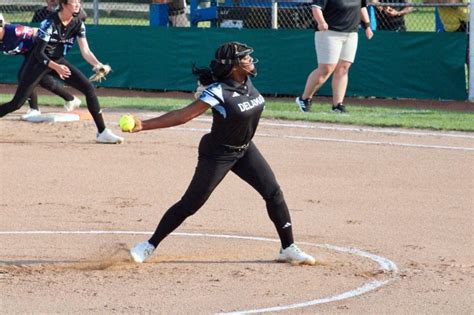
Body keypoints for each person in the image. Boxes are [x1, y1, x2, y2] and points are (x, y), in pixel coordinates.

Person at [128, 42, 316, 266]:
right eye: (245, 59)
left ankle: (288, 247)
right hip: (217, 153)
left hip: (245, 149)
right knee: (191, 203)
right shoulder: (218, 92)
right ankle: (148, 246)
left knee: (273, 192)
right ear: (233, 66)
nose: (250, 61)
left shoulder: (246, 81)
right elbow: (184, 115)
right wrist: (144, 125)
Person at [0, 0, 123, 144]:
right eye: (73, 2)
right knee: (16, 104)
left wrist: (97, 64)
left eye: (79, 2)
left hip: (58, 60)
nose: (78, 4)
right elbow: (39, 53)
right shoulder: (49, 23)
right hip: (38, 62)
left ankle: (102, 132)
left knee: (88, 88)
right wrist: (55, 67)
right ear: (64, 5)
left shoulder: (78, 23)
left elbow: (86, 51)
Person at [295, 0, 373, 113]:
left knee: (343, 68)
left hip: (351, 33)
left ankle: (338, 105)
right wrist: (321, 22)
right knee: (326, 68)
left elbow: (362, 7)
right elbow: (316, 8)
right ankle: (304, 99)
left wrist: (367, 26)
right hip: (329, 33)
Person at [0, 15, 81, 120]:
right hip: (28, 52)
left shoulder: (15, 31)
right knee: (43, 80)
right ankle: (70, 99)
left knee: (24, 76)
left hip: (39, 50)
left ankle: (34, 109)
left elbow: (38, 32)